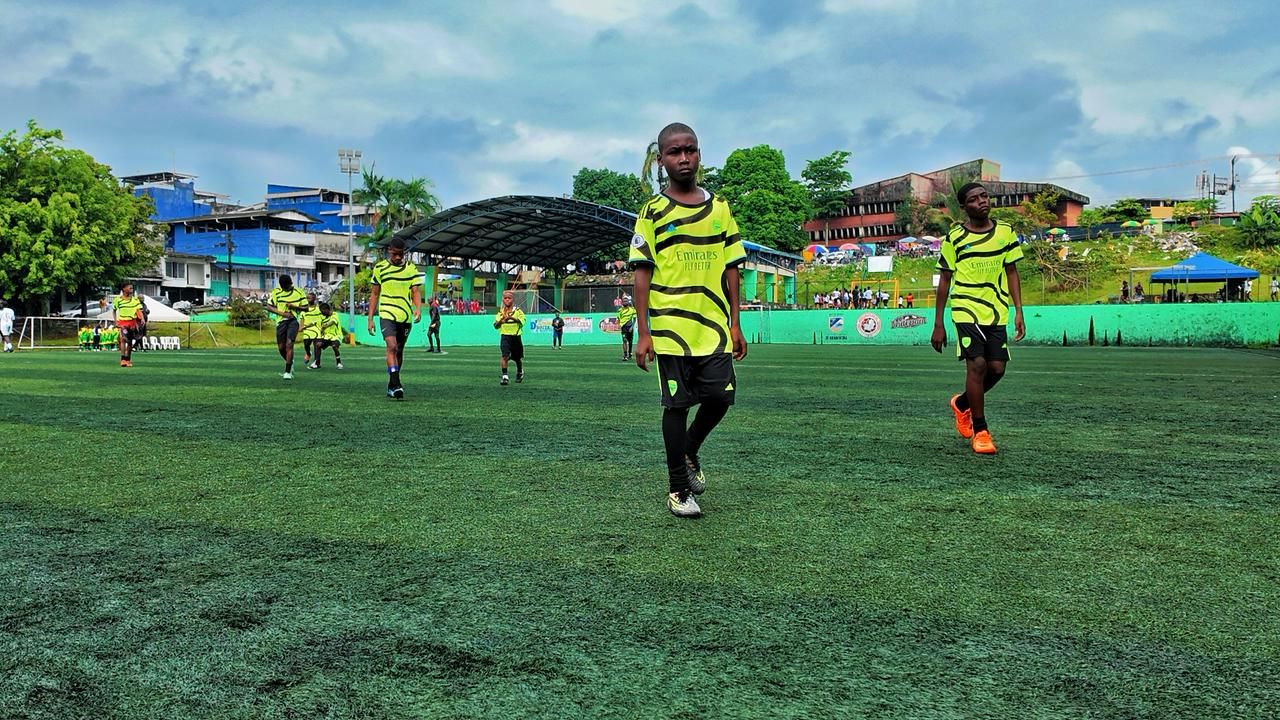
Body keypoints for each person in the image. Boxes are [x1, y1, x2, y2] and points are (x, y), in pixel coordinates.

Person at [629, 122, 747, 519]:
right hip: (670, 329)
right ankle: (679, 489)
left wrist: (736, 322)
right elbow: (641, 273)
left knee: (720, 398)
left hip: (713, 326)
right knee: (676, 405)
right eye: (675, 152)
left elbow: (733, 267)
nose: (684, 158)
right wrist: (643, 332)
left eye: (690, 150)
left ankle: (691, 449)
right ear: (661, 160)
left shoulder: (720, 209)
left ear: (699, 154)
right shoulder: (652, 213)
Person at [931, 182, 1025, 455]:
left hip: (996, 310)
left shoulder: (1006, 233)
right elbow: (945, 279)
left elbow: (1012, 272)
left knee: (997, 369)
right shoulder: (955, 238)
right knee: (978, 365)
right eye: (974, 199)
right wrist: (939, 323)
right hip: (965, 308)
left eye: (984, 196)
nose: (982, 201)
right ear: (964, 207)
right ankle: (981, 431)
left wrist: (1018, 310)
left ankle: (962, 404)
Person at [368, 237, 424, 400]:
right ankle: (396, 383)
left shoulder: (411, 269)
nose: (399, 257)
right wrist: (370, 318)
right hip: (386, 314)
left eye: (401, 254)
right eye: (396, 254)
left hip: (405, 316)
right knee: (391, 346)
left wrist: (418, 309)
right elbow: (374, 294)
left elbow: (415, 291)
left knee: (399, 350)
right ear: (389, 251)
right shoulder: (379, 268)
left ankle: (392, 385)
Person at [266, 274, 308, 379]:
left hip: (293, 321)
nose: (285, 288)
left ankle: (287, 372)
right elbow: (269, 307)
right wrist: (282, 314)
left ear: (291, 284)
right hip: (281, 322)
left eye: (287, 286)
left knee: (289, 344)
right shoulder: (276, 292)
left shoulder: (299, 292)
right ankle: (290, 361)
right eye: (283, 287)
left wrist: (294, 306)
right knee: (281, 347)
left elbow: (306, 308)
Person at [493, 290, 526, 385]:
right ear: (503, 300)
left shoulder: (518, 311)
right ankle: (505, 376)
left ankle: (520, 372)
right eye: (505, 298)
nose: (507, 300)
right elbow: (495, 326)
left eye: (509, 298)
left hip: (516, 337)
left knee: (517, 358)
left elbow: (522, 322)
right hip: (505, 337)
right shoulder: (500, 313)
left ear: (513, 300)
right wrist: (502, 320)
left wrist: (511, 318)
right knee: (504, 356)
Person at [112, 283, 145, 368]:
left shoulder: (135, 300)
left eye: (132, 288)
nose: (131, 289)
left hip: (132, 322)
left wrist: (142, 318)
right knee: (123, 339)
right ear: (123, 289)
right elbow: (114, 310)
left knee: (129, 342)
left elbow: (138, 310)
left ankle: (128, 359)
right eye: (129, 287)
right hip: (123, 322)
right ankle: (122, 359)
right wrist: (115, 321)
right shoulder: (117, 300)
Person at [311, 302, 344, 369]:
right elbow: (318, 326)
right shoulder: (323, 318)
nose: (321, 312)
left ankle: (339, 363)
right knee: (318, 344)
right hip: (327, 337)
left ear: (326, 309)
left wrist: (324, 326)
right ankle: (316, 363)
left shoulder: (335, 314)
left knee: (334, 346)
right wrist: (322, 331)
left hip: (336, 336)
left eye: (322, 311)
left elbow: (332, 322)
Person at [299, 292, 322, 367]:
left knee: (317, 347)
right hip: (307, 331)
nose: (308, 299)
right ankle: (308, 353)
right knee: (306, 345)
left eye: (310, 298)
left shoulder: (319, 309)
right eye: (307, 298)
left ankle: (316, 362)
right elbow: (302, 319)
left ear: (314, 299)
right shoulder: (304, 310)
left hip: (317, 331)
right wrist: (301, 327)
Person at [616, 294, 637, 361]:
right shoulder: (620, 310)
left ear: (628, 302)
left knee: (630, 341)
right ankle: (625, 355)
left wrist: (632, 326)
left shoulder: (632, 310)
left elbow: (634, 318)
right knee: (624, 340)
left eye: (626, 301)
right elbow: (618, 318)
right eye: (624, 301)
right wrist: (618, 324)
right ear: (622, 303)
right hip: (623, 327)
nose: (625, 302)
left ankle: (630, 353)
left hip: (630, 327)